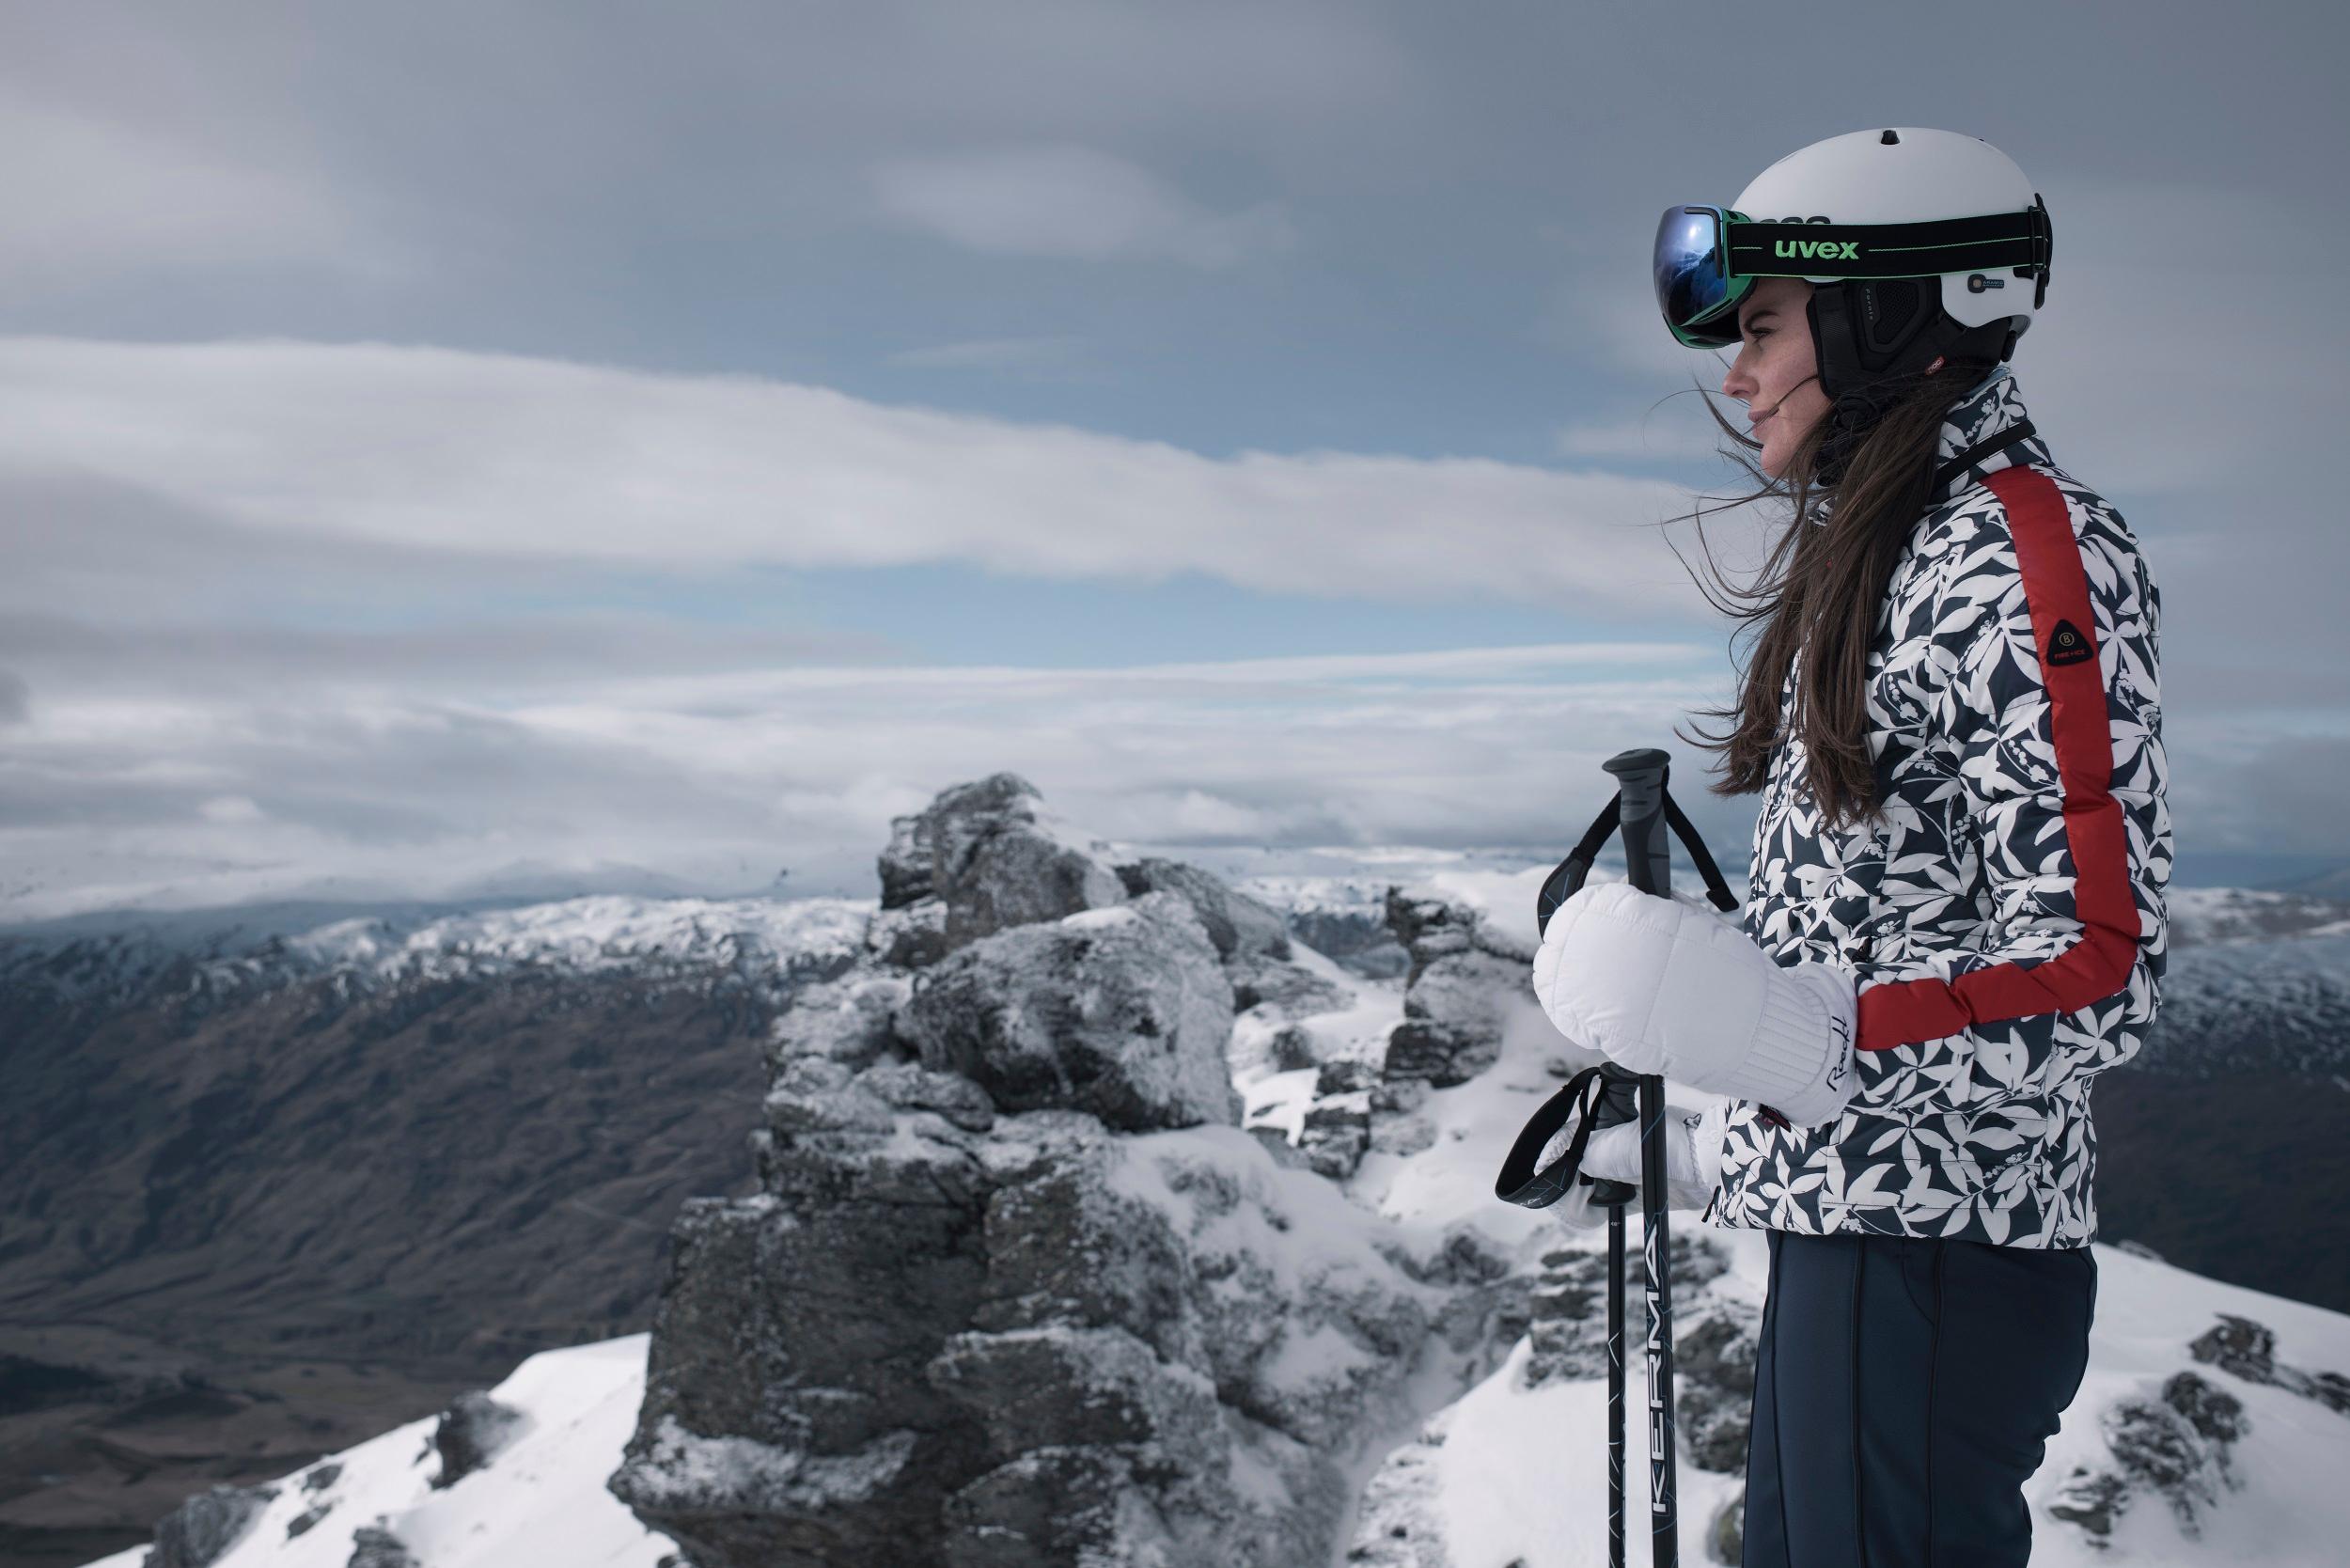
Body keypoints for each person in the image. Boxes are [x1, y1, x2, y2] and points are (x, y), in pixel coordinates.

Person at [1528, 128, 2170, 1566]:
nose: (1737, 372)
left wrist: (1790, 1043)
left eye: (1762, 327)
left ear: (1891, 311)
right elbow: (1893, 930)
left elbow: (2096, 966)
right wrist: (1727, 1128)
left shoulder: (2024, 550)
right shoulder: (1907, 553)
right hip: (1873, 1234)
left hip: (1936, 1256)